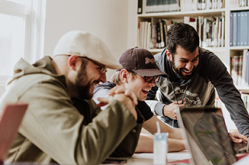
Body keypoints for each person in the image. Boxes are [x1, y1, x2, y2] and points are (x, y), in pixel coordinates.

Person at [0, 31, 143, 164]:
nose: (104, 79)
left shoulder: (76, 95)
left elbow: (118, 150)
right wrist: (120, 108)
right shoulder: (37, 90)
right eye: (100, 69)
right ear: (73, 62)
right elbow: (82, 156)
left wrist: (128, 106)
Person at [145, 22, 249, 138]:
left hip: (204, 131)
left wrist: (248, 137)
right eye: (184, 61)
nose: (189, 67)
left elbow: (232, 100)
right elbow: (144, 102)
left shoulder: (210, 62)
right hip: (170, 132)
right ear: (169, 55)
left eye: (195, 59)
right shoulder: (155, 65)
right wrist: (164, 109)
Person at [93, 47, 185, 153]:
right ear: (125, 75)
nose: (153, 84)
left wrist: (201, 137)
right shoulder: (103, 92)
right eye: (147, 78)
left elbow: (167, 132)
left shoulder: (137, 101)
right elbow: (129, 141)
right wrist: (186, 145)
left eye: (154, 78)